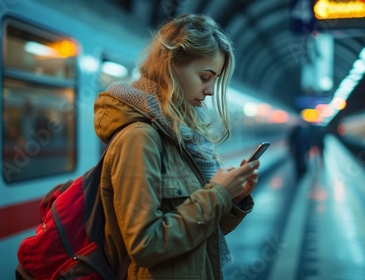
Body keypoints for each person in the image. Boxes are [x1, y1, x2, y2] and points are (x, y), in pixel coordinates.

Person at [94, 14, 261, 279]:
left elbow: (200, 235)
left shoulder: (180, 136)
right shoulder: (140, 138)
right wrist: (217, 194)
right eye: (205, 77)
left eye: (214, 80)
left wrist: (232, 197)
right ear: (171, 65)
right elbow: (145, 244)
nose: (210, 91)